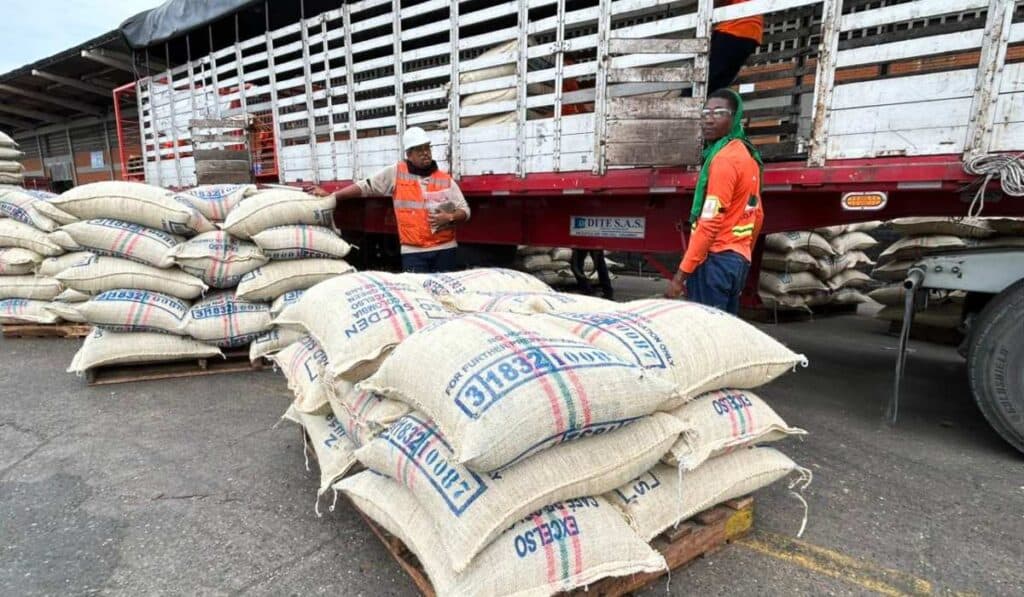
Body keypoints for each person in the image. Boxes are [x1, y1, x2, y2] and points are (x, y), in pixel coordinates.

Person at [306, 126, 470, 273]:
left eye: (427, 148)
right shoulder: (396, 173)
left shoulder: (444, 179)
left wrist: (449, 217)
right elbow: (366, 186)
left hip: (445, 250)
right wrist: (332, 196)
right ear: (409, 154)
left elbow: (465, 211)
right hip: (414, 253)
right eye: (419, 149)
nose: (425, 152)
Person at [665, 88, 764, 315]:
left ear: (735, 116)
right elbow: (757, 214)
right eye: (705, 113)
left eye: (719, 112)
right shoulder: (748, 157)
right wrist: (743, 254)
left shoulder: (724, 160)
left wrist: (680, 277)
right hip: (736, 261)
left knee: (707, 336)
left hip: (715, 263)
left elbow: (709, 223)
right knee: (726, 333)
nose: (708, 119)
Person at [709, 0, 764, 92]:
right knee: (722, 79)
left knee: (710, 76)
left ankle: (685, 98)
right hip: (753, 33)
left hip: (733, 29)